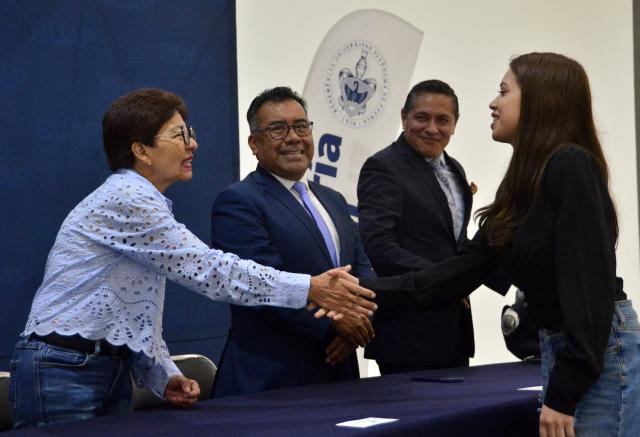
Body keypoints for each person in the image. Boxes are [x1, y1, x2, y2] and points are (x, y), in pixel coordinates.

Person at [9, 88, 377, 429]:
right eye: (179, 135)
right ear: (141, 150)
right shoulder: (128, 199)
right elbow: (211, 271)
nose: (193, 144)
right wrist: (309, 287)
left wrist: (162, 372)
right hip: (66, 369)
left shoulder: (143, 202)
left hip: (104, 368)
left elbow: (133, 308)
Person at [361, 53, 640, 437]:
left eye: (504, 91)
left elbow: (589, 295)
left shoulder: (570, 165)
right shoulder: (522, 181)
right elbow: (449, 277)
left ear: (540, 100)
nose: (492, 102)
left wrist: (564, 393)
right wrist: (352, 290)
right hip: (567, 354)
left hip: (600, 359)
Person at [210, 87, 376, 396]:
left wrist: (358, 319)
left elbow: (363, 268)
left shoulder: (334, 199)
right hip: (271, 379)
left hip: (340, 372)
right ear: (254, 144)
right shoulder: (238, 201)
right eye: (277, 129)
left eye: (301, 126)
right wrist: (336, 326)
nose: (293, 137)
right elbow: (259, 284)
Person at [357, 79, 476, 374]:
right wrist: (446, 279)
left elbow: (455, 242)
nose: (432, 128)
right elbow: (378, 245)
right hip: (406, 333)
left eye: (442, 120)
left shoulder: (455, 169)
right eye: (422, 117)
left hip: (453, 330)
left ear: (455, 124)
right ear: (404, 117)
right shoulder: (383, 167)